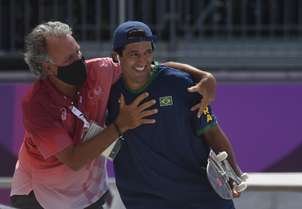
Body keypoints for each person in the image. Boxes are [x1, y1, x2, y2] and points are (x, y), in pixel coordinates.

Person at [10, 21, 217, 209]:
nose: (80, 59)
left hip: (89, 193)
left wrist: (203, 76)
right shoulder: (36, 106)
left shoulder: (98, 70)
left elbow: (146, 67)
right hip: (39, 197)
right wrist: (120, 125)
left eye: (78, 51)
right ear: (48, 67)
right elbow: (73, 159)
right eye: (70, 58)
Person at [107, 21, 243, 209]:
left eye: (147, 52)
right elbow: (103, 147)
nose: (142, 61)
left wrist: (233, 172)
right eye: (134, 54)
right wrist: (120, 125)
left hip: (202, 197)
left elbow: (212, 131)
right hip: (147, 201)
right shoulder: (107, 93)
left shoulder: (180, 83)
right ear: (116, 55)